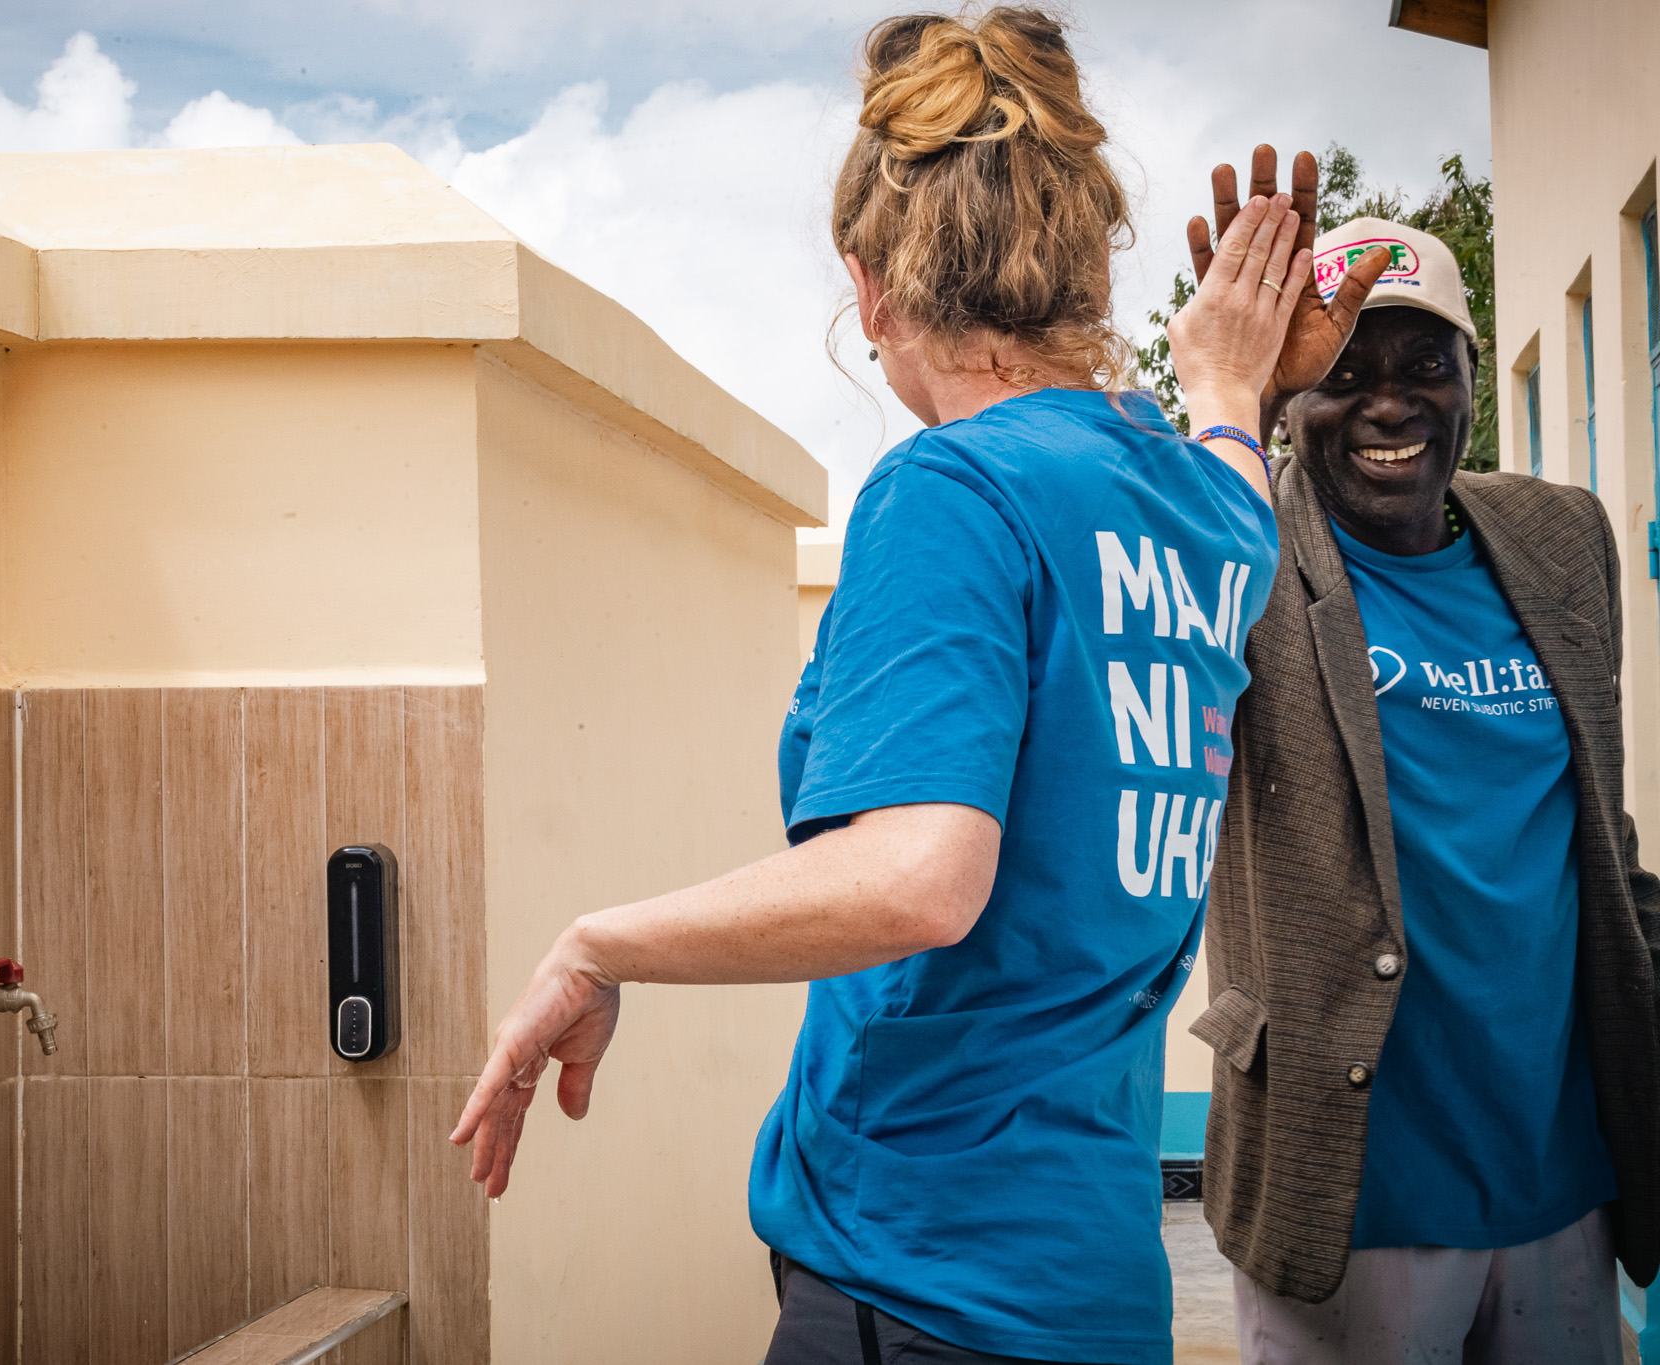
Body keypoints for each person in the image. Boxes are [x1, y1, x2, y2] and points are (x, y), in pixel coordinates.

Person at [450, 12, 1380, 1364]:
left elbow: (918, 877)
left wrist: (597, 944)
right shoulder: (1208, 516)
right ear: (1081, 265)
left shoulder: (951, 490)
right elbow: (1233, 459)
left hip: (915, 1275)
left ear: (871, 284)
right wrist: (1230, 378)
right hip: (1093, 1286)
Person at [1187, 151, 1660, 1365]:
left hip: (1564, 1173)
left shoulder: (1561, 539)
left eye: (1423, 367)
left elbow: (1594, 831)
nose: (1386, 404)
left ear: (1466, 379)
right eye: (1340, 376)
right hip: (1352, 1190)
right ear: (1291, 403)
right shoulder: (1234, 546)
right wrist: (1222, 396)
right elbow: (1145, 602)